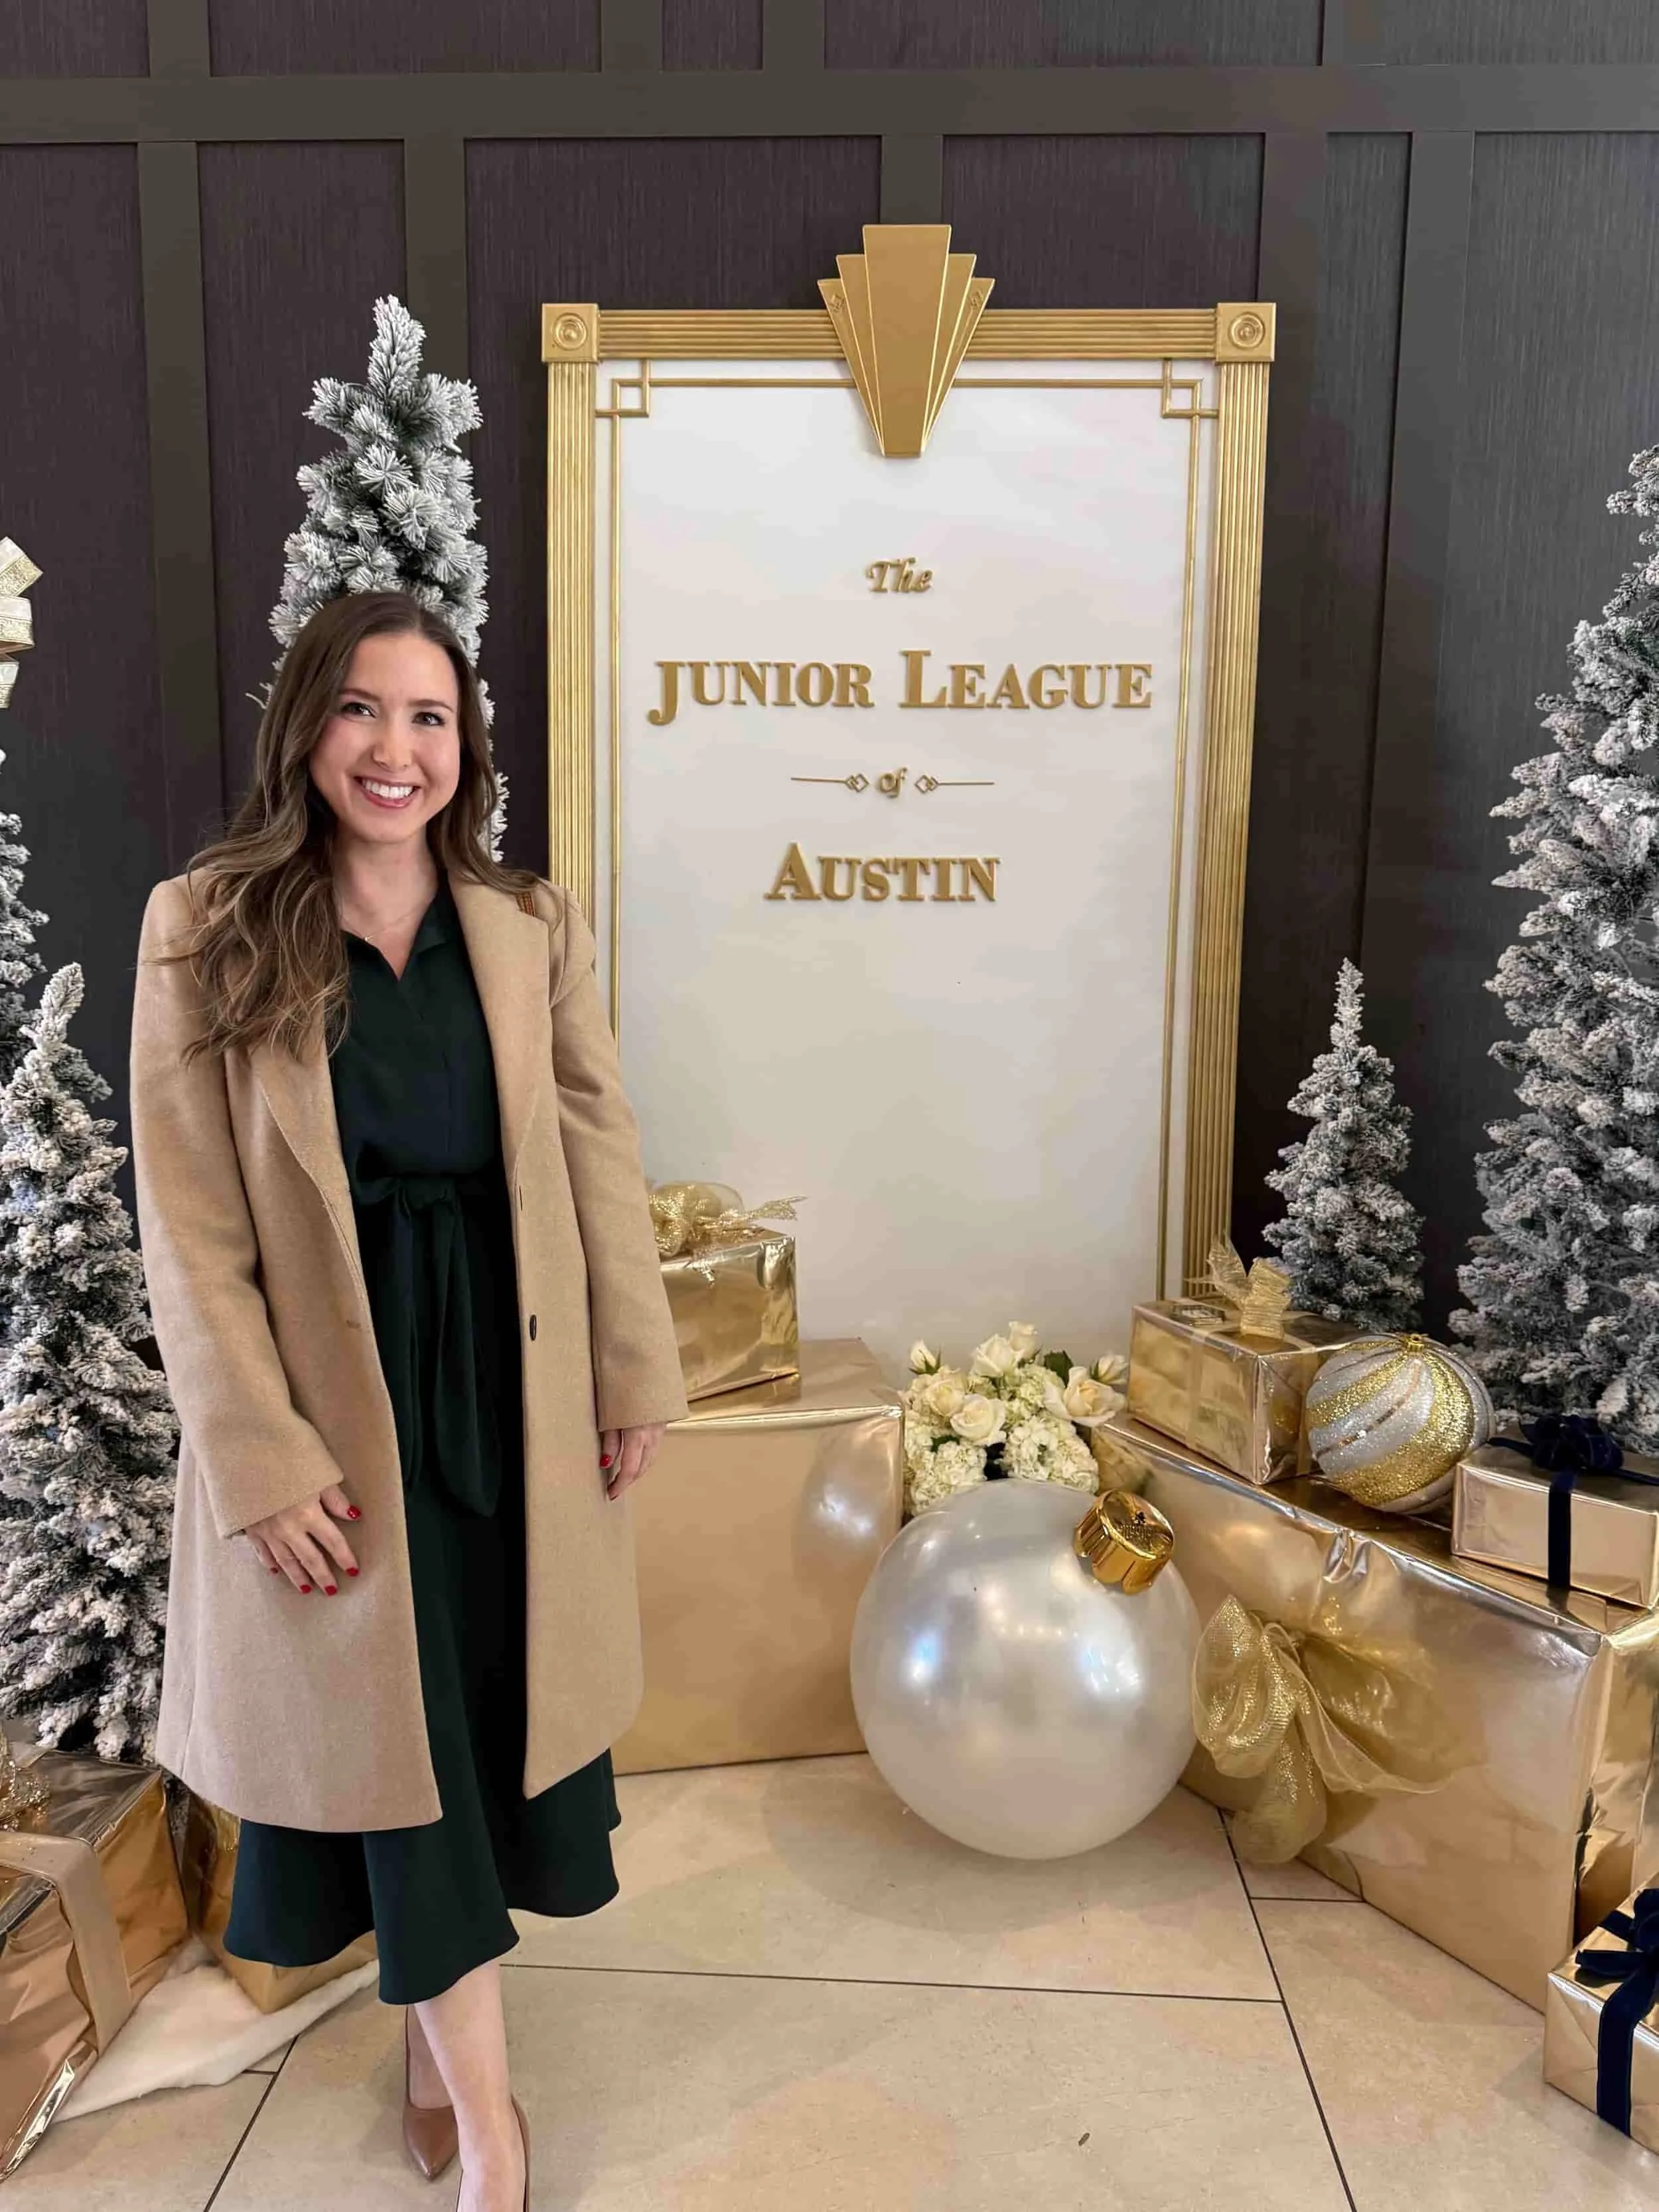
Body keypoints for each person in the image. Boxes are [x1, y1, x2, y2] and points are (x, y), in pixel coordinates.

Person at [129, 590, 688, 2212]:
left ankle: (437, 2054)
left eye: (429, 716)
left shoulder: (527, 927)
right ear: (308, 726)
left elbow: (599, 1147)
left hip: (511, 1395)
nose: (396, 747)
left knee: (479, 1741)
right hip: (332, 1412)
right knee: (400, 1751)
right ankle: (498, 2136)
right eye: (363, 710)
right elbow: (192, 1224)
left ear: (467, 745)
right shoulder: (206, 922)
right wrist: (255, 1454)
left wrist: (632, 1368)